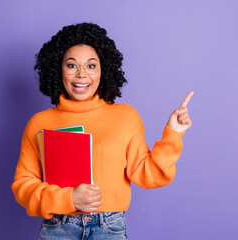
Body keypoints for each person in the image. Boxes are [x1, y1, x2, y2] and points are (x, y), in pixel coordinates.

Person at [11, 22, 193, 240]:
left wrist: (173, 134)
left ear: (103, 70)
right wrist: (69, 199)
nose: (81, 75)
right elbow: (23, 185)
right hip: (58, 228)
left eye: (91, 66)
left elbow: (149, 175)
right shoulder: (39, 123)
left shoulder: (125, 116)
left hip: (109, 228)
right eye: (71, 65)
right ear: (58, 69)